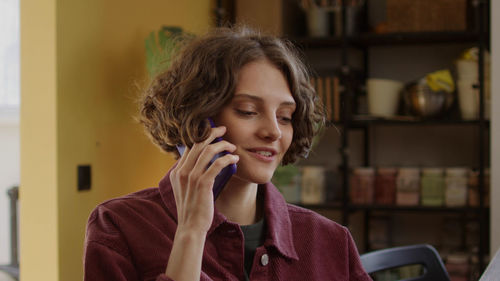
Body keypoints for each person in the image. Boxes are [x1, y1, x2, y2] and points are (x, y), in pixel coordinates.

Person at [83, 26, 372, 281]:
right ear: (198, 117)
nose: (273, 131)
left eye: (285, 117)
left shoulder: (330, 240)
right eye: (248, 111)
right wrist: (191, 233)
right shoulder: (118, 226)